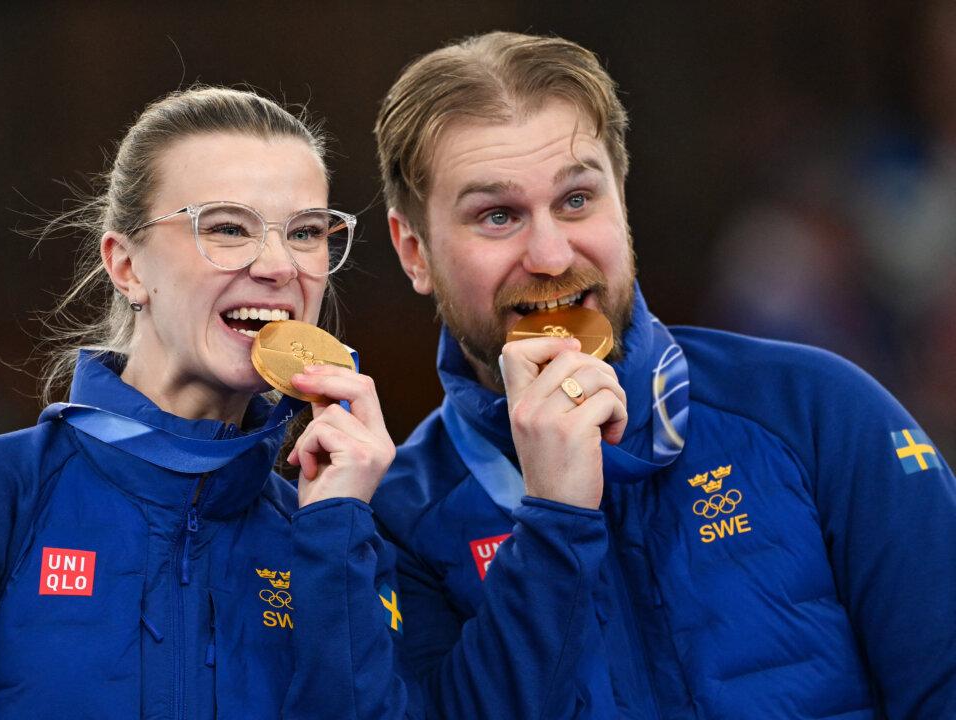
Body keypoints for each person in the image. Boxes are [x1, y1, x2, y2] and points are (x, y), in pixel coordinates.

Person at [371, 31, 956, 719]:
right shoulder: (396, 525)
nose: (552, 253)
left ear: (622, 199)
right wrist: (555, 522)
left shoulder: (815, 409)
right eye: (497, 216)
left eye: (578, 200)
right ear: (415, 252)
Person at [0, 86, 416, 719]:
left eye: (305, 233)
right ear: (126, 265)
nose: (279, 265)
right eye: (226, 227)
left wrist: (335, 531)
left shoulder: (336, 536)